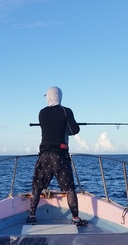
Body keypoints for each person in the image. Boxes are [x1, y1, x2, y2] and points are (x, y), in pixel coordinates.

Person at [27, 86, 88, 227]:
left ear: (49, 96)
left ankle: (31, 216)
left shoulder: (41, 113)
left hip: (44, 155)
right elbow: (75, 130)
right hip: (60, 155)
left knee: (37, 187)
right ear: (60, 96)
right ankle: (76, 219)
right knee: (69, 189)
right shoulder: (66, 111)